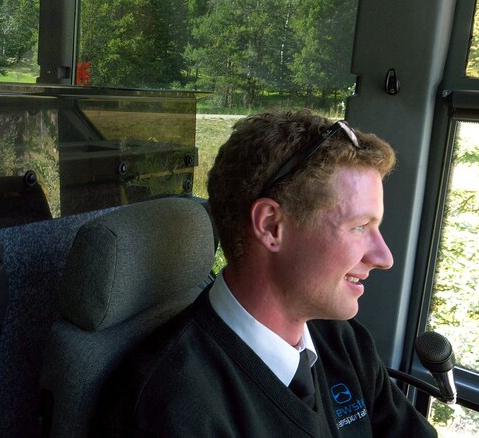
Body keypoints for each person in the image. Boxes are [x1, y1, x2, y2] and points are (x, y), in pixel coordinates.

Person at [99, 110, 437, 436]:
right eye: (360, 227)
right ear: (272, 226)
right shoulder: (173, 407)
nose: (384, 257)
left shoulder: (343, 342)